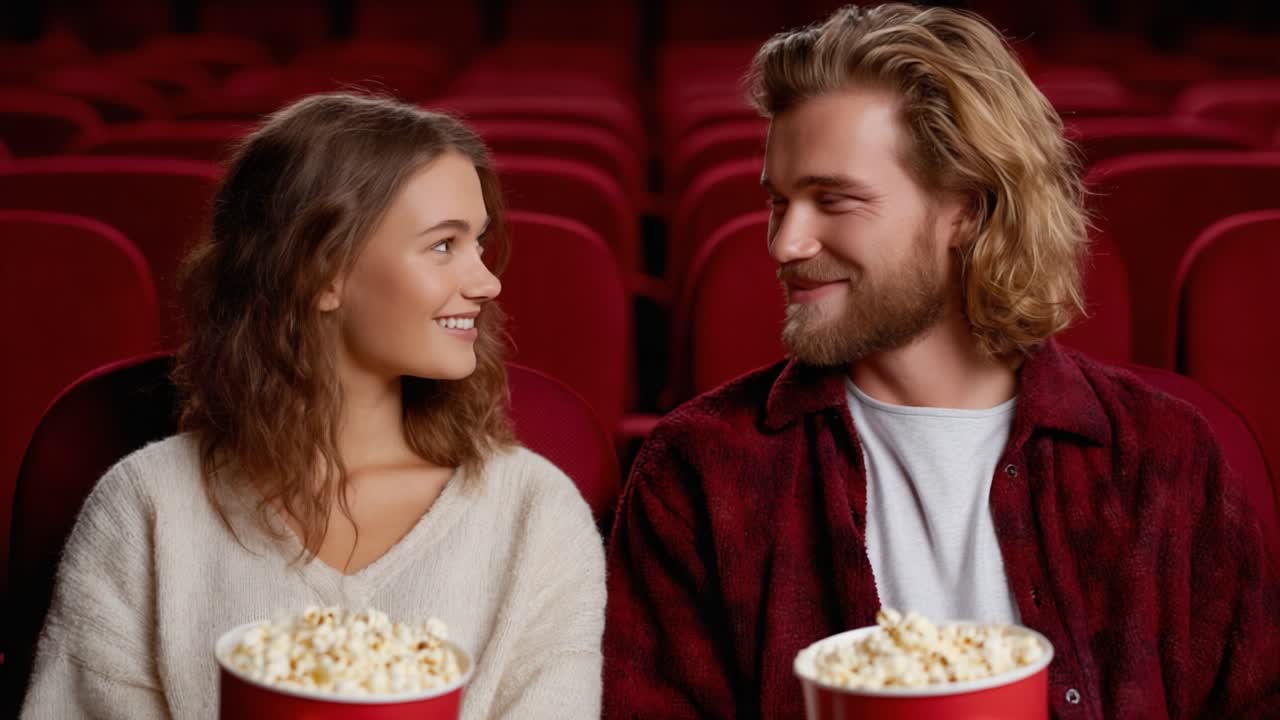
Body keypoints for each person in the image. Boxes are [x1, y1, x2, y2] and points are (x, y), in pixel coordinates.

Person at [603, 5, 1278, 718]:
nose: (785, 243)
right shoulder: (701, 473)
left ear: (966, 210)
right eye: (779, 202)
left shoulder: (1160, 461)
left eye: (834, 200)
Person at [22, 93, 605, 719]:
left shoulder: (536, 517)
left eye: (480, 243)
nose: (487, 281)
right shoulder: (146, 507)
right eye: (443, 246)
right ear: (323, 271)